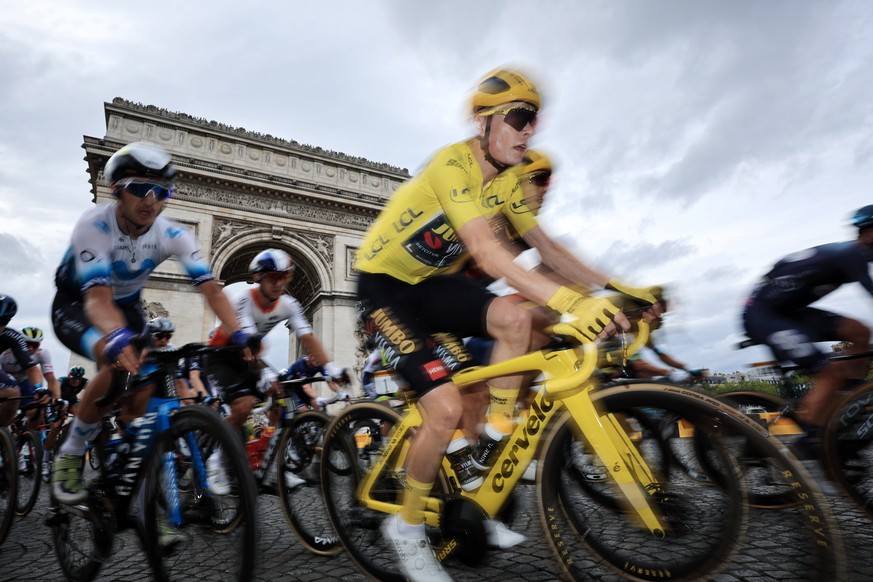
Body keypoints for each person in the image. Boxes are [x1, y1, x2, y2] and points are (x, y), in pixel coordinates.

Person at [354, 67, 662, 581]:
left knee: (514, 320)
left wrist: (620, 288)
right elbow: (484, 251)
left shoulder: (507, 185)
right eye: (519, 118)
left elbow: (549, 249)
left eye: (534, 120)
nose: (529, 130)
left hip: (428, 286)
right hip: (384, 286)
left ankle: (492, 448)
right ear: (483, 122)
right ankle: (404, 532)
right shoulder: (453, 164)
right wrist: (573, 303)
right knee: (446, 407)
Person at [50, 141, 248, 505]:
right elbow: (97, 300)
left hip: (127, 307)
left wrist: (240, 333)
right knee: (113, 360)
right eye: (140, 189)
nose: (151, 200)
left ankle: (130, 463)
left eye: (161, 192)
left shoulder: (175, 234)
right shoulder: (94, 223)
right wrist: (114, 335)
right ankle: (72, 451)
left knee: (144, 387)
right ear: (117, 190)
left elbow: (212, 291)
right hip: (78, 304)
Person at [205, 248, 344, 494]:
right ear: (259, 278)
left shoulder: (289, 304)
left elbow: (309, 338)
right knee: (244, 405)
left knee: (282, 407)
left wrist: (330, 368)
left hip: (252, 355)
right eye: (273, 278)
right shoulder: (244, 300)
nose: (279, 283)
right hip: (223, 356)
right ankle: (217, 459)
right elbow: (249, 344)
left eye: (285, 277)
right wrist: (265, 373)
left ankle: (277, 468)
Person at [743, 205, 873, 457]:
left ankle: (851, 403)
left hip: (788, 313)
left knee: (859, 332)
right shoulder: (852, 254)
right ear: (869, 233)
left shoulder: (856, 253)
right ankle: (810, 446)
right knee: (830, 372)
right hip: (764, 316)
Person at [0, 295, 44, 427]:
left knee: (14, 393)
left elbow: (31, 368)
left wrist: (38, 389)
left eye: (1, 322)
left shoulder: (12, 337)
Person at [1, 325, 56, 429]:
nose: (30, 349)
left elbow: (49, 378)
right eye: (27, 344)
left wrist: (39, 388)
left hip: (23, 382)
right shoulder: (4, 354)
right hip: (5, 379)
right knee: (9, 399)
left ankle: (25, 439)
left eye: (34, 345)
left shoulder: (42, 354)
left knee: (37, 411)